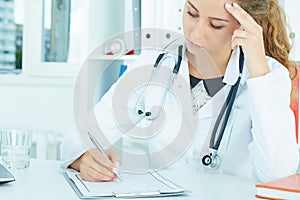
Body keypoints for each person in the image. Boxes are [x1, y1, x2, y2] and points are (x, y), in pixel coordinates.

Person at [61, 0, 299, 183]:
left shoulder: (269, 77)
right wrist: (84, 158)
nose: (195, 34)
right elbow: (80, 134)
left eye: (216, 24)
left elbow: (277, 174)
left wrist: (258, 69)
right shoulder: (153, 65)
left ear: (245, 25)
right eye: (191, 13)